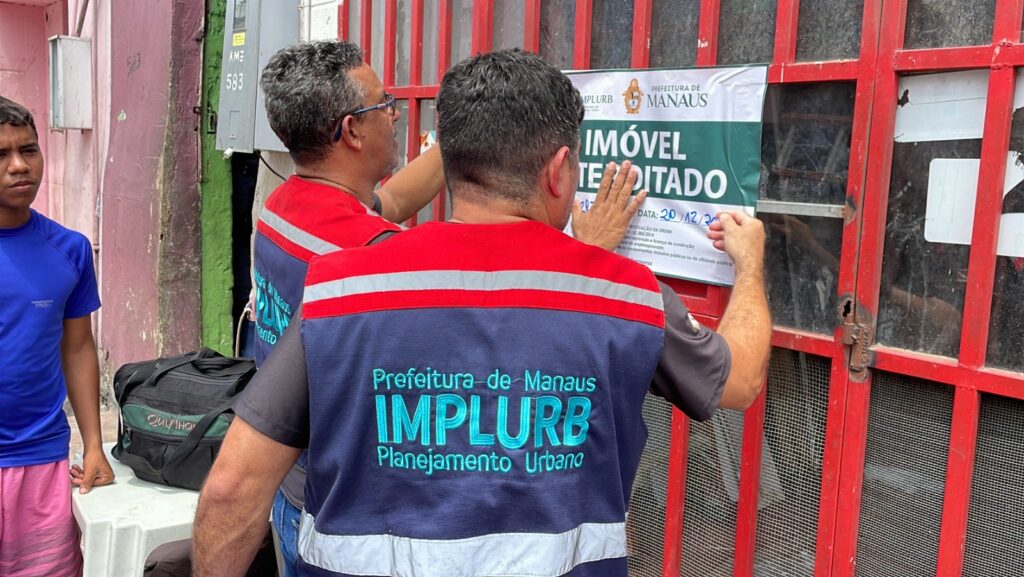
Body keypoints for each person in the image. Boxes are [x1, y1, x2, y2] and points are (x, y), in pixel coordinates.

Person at [192, 49, 771, 577]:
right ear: (558, 169)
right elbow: (741, 380)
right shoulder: (627, 295)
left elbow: (232, 488)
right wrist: (748, 265)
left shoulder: (342, 285)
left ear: (451, 162)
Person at [252, 40, 646, 576]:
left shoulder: (287, 207)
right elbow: (513, 315)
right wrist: (589, 256)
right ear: (351, 131)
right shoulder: (362, 263)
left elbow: (389, 204)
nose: (394, 113)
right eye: (383, 105)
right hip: (354, 508)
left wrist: (483, 122)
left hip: (289, 480)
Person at [0, 95, 114, 577]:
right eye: (1, 156)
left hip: (41, 459)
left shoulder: (68, 249)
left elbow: (78, 346)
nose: (19, 166)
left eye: (29, 149)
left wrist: (93, 445)